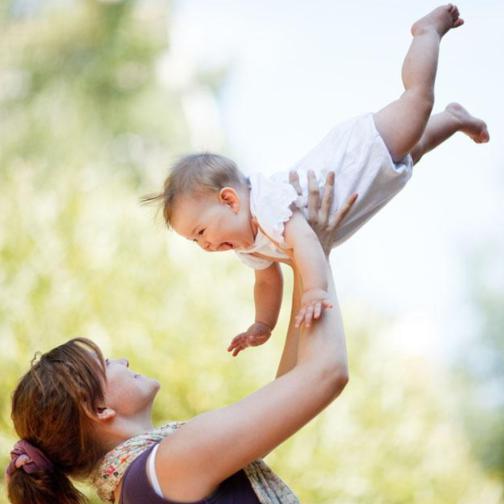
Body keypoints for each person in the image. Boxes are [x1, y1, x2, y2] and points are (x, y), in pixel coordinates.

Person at [146, 4, 489, 356]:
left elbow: (305, 242)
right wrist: (262, 324)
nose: (203, 245)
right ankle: (455, 118)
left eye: (201, 231)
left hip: (357, 156)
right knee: (414, 148)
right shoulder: (247, 243)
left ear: (230, 200)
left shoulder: (265, 204)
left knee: (416, 104)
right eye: (194, 241)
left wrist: (313, 290)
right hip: (369, 183)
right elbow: (266, 281)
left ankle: (426, 32)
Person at [5, 174, 351, 504]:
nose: (123, 361)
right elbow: (325, 373)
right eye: (107, 364)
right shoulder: (164, 467)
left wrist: (307, 264)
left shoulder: (142, 484)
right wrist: (314, 249)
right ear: (99, 408)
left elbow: (292, 386)